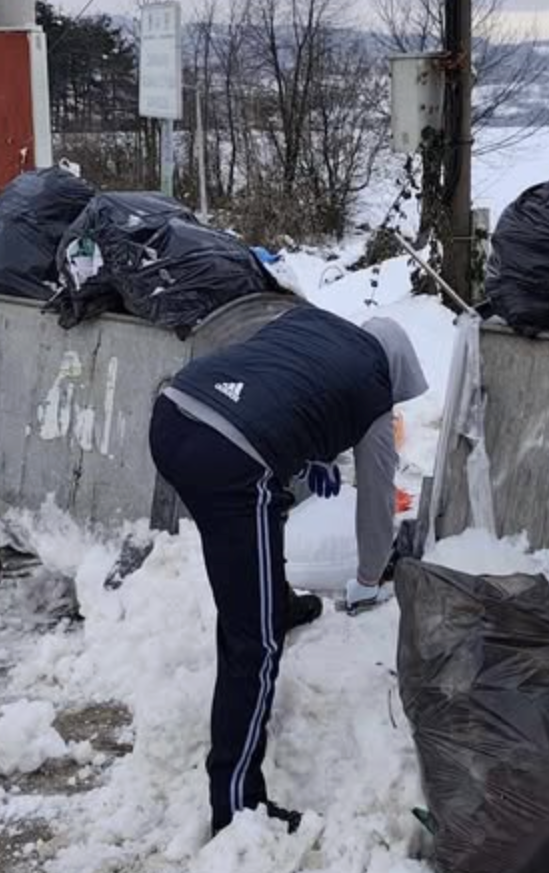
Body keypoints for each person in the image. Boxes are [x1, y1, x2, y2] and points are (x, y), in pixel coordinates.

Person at [148, 304, 428, 834]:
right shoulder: (373, 393)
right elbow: (376, 502)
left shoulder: (309, 322)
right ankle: (237, 804)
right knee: (252, 645)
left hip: (173, 412)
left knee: (262, 514)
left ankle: (275, 601)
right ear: (394, 371)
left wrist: (314, 453)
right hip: (230, 457)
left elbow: (275, 380)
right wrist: (370, 577)